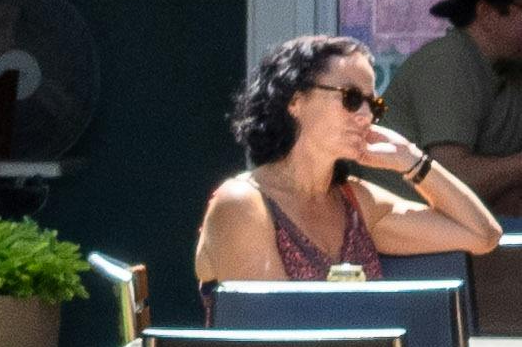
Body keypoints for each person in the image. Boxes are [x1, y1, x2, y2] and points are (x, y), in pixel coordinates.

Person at [197, 31, 508, 286]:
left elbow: (483, 234)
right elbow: (273, 333)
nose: (366, 115)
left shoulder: (357, 202)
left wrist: (412, 160)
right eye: (352, 98)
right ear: (295, 100)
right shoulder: (242, 203)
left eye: (374, 105)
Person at [386, 0, 522, 218]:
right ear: (486, 12)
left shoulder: (511, 67)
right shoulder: (447, 64)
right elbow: (448, 179)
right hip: (407, 242)